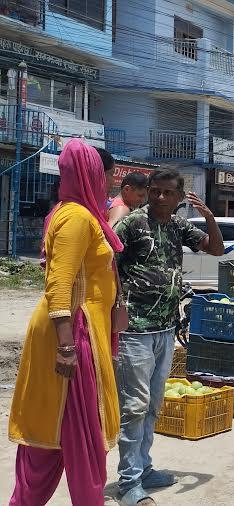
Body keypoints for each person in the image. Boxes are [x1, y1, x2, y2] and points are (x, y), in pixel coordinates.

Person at [8, 139, 124, 505]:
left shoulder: (80, 213)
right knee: (83, 434)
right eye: (103, 174)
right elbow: (59, 284)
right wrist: (67, 347)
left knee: (60, 430)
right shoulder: (75, 216)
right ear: (90, 174)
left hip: (81, 330)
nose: (108, 182)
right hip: (74, 332)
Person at [114, 169, 224, 506]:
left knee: (152, 406)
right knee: (134, 407)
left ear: (179, 198)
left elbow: (216, 250)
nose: (161, 197)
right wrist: (117, 305)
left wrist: (210, 219)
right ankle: (129, 483)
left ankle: (144, 469)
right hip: (135, 330)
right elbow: (107, 261)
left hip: (165, 328)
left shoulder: (178, 227)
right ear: (148, 192)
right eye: (156, 191)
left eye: (168, 193)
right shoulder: (132, 223)